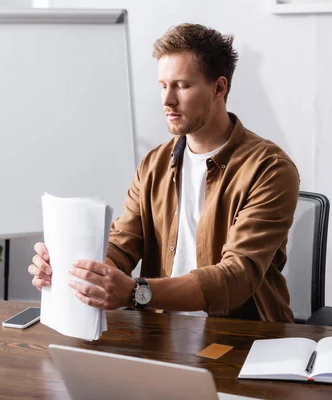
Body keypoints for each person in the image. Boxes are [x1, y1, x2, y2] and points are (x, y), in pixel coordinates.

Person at [28, 23, 299, 323]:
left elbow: (235, 277)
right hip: (159, 334)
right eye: (162, 85)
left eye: (182, 85)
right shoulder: (154, 164)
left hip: (238, 338)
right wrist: (76, 272)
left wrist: (135, 292)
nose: (167, 100)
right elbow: (122, 244)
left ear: (219, 88)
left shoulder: (269, 169)